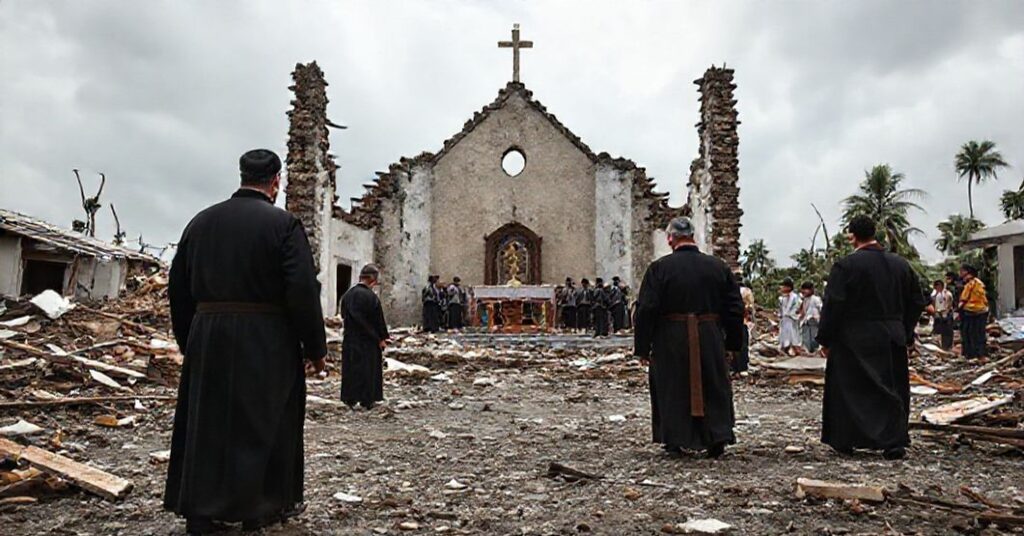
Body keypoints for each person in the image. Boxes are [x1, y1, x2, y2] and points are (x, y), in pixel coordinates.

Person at [165, 149, 328, 534]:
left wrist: (191, 340)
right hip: (267, 337)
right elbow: (302, 291)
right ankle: (259, 508)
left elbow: (178, 289)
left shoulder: (200, 222)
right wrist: (315, 348)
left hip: (208, 333)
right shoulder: (284, 225)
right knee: (264, 422)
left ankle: (201, 513)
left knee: (207, 424)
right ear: (276, 181)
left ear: (241, 176)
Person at [816, 216, 926, 460]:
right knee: (891, 387)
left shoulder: (846, 266)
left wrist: (825, 339)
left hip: (854, 337)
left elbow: (834, 305)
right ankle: (893, 440)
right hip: (891, 336)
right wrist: (904, 330)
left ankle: (846, 438)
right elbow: (918, 300)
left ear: (852, 236)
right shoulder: (900, 265)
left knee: (850, 390)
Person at [634, 217, 744, 459]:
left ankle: (674, 438)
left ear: (671, 238)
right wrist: (733, 344)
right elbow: (735, 309)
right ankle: (716, 437)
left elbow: (646, 309)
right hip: (709, 336)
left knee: (672, 385)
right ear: (693, 237)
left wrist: (643, 347)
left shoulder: (659, 269)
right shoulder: (718, 267)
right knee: (713, 384)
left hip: (671, 338)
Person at [340, 264, 390, 410]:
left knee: (351, 369)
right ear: (373, 280)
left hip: (350, 339)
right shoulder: (371, 297)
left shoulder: (347, 295)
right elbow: (378, 320)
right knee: (368, 370)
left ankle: (349, 398)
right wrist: (382, 338)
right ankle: (367, 400)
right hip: (368, 340)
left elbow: (343, 315)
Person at [958, 264, 989, 359]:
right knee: (979, 333)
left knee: (969, 334)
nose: (960, 273)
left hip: (971, 312)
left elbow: (963, 300)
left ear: (967, 273)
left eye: (962, 271)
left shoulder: (970, 284)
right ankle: (980, 353)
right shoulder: (979, 283)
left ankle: (971, 354)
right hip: (981, 311)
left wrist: (958, 311)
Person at [733, 278, 755, 374]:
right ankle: (743, 367)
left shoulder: (731, 290)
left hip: (732, 322)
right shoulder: (747, 291)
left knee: (734, 346)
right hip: (743, 322)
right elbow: (750, 308)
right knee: (743, 345)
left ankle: (735, 367)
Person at [929, 279, 955, 350]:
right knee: (940, 330)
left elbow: (948, 304)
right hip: (938, 313)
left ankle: (948, 346)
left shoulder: (947, 294)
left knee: (947, 330)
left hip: (946, 313)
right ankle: (942, 346)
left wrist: (945, 312)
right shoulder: (934, 294)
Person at [778, 278, 802, 355]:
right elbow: (781, 310)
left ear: (788, 287)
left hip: (791, 319)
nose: (782, 288)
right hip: (784, 320)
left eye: (783, 286)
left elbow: (799, 307)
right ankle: (785, 350)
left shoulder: (795, 297)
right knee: (784, 337)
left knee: (792, 336)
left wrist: (794, 314)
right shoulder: (782, 298)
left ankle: (794, 350)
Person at [799, 282, 823, 354]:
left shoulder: (816, 299)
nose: (804, 292)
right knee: (806, 338)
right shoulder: (805, 300)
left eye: (805, 290)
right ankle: (808, 351)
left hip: (814, 321)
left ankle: (815, 350)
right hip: (806, 321)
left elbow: (821, 308)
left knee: (814, 337)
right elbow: (803, 311)